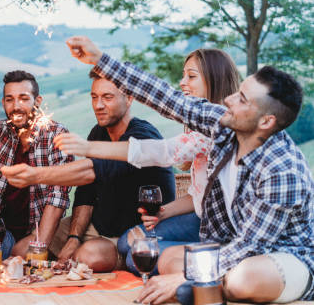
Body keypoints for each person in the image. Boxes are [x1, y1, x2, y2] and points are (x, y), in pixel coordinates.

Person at [65, 36, 314, 304]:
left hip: (280, 257)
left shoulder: (282, 170)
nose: (229, 100)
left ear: (266, 121)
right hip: (228, 247)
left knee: (245, 278)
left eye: (242, 99)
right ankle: (199, 284)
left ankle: (193, 285)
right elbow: (167, 98)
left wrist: (186, 275)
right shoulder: (223, 126)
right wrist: (100, 60)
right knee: (169, 257)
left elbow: (252, 246)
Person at [51, 49, 240, 276]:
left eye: (191, 76)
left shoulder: (219, 126)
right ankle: (193, 259)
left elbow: (162, 151)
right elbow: (199, 197)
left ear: (214, 79)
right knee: (127, 243)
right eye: (183, 75)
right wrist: (163, 212)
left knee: (136, 256)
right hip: (200, 218)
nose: (182, 83)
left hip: (220, 229)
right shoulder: (200, 125)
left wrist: (86, 149)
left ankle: (212, 262)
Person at [1, 70, 175, 272]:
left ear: (128, 99)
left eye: (107, 97)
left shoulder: (142, 137)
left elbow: (89, 172)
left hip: (133, 233)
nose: (98, 105)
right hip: (96, 226)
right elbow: (86, 193)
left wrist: (35, 175)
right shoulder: (98, 132)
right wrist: (74, 237)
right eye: (94, 97)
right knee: (21, 250)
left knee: (87, 256)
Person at [0, 70, 74, 259]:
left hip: (23, 230)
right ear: (3, 103)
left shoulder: (56, 135)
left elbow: (57, 199)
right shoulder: (1, 130)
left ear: (38, 101)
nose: (16, 106)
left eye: (24, 98)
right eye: (9, 99)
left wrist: (38, 248)